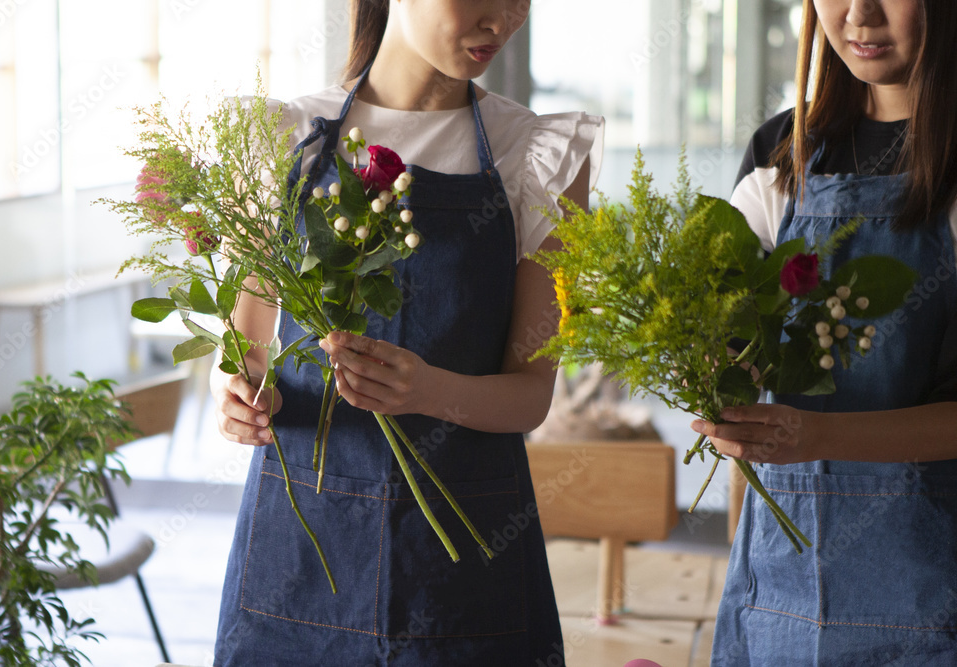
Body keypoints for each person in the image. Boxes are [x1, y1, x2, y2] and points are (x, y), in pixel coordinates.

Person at [209, 1, 603, 664]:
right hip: (300, 556)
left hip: (462, 557)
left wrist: (429, 391)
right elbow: (240, 357)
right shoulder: (282, 136)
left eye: (518, 2)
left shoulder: (538, 154)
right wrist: (242, 401)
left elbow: (532, 394)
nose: (501, 21)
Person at [693, 1, 957, 664]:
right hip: (776, 593)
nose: (860, 14)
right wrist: (712, 370)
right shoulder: (781, 152)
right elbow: (724, 331)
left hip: (934, 597)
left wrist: (818, 436)